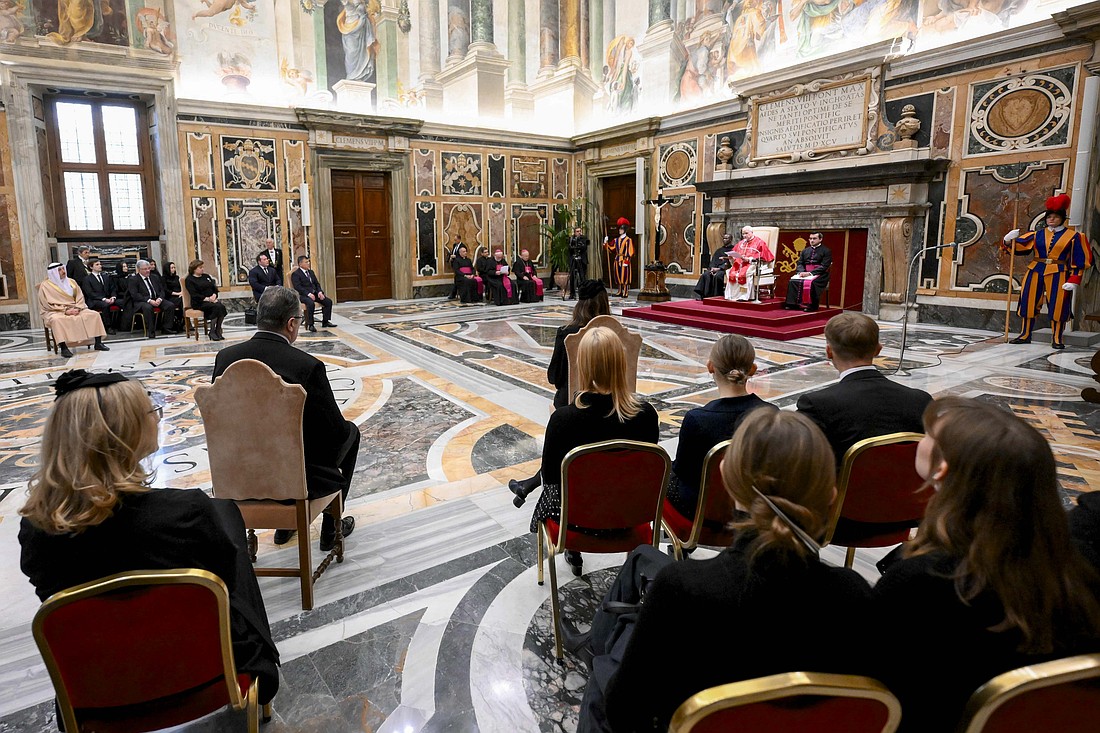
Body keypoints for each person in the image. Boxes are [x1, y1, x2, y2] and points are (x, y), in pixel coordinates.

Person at [582, 409, 872, 733]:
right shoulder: (855, 595)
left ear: (728, 480)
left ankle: (595, 648)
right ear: (831, 495)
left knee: (602, 674)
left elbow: (625, 711)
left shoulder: (682, 590)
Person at [18, 370, 280, 705]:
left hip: (97, 693)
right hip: (205, 678)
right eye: (151, 410)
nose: (158, 417)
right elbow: (229, 595)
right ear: (125, 433)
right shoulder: (186, 514)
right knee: (228, 521)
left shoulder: (36, 530)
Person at [872, 397, 1100, 732]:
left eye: (927, 434)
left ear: (942, 470)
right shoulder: (1078, 563)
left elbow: (876, 688)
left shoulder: (920, 582)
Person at [213, 286, 358, 550]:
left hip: (238, 473)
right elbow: (334, 433)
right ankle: (330, 529)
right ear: (291, 323)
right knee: (350, 433)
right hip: (293, 479)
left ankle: (285, 527)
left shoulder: (225, 359)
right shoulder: (305, 366)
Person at [527, 326, 660, 575]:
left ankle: (571, 552)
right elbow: (648, 474)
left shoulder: (563, 420)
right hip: (631, 518)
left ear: (582, 366)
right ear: (622, 363)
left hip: (576, 522)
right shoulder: (646, 415)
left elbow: (550, 479)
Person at [509, 280, 612, 505]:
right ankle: (527, 485)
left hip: (572, 404)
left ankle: (530, 486)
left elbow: (554, 378)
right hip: (612, 402)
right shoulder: (614, 333)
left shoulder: (568, 333)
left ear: (580, 304)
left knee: (559, 433)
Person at [665, 334, 777, 518]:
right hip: (753, 506)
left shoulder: (697, 419)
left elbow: (684, 472)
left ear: (710, 366)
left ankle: (683, 544)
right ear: (753, 369)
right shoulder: (772, 414)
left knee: (666, 473)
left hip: (702, 512)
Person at [797, 312, 932, 464]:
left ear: (829, 351)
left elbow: (802, 463)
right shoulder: (921, 400)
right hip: (909, 487)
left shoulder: (817, 405)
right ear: (878, 350)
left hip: (846, 488)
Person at [1003, 194, 1093, 349]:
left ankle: (1057, 338)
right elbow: (1018, 248)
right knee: (1028, 302)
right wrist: (1007, 240)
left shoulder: (1075, 236)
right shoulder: (1037, 234)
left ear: (1062, 218)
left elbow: (1080, 259)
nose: (1051, 219)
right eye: (1049, 216)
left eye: (1055, 217)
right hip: (1035, 269)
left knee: (1059, 305)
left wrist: (1074, 280)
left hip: (1059, 271)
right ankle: (1025, 334)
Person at [38, 263, 109, 358]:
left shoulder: (72, 282)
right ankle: (63, 347)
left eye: (63, 269)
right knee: (57, 320)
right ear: (53, 273)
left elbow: (80, 297)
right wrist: (65, 311)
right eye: (59, 270)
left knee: (94, 315)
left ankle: (98, 343)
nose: (63, 272)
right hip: (56, 311)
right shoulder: (45, 286)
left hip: (77, 308)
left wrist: (78, 308)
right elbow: (46, 304)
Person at [126, 259, 177, 338]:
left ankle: (166, 327)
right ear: (139, 270)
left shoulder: (154, 277)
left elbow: (162, 290)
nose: (147, 271)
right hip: (142, 301)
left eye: (148, 268)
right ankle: (151, 331)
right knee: (148, 307)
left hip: (156, 299)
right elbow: (135, 295)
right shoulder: (133, 279)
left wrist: (159, 299)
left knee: (170, 305)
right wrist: (149, 300)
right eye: (145, 269)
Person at [782, 231, 832, 311]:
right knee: (793, 281)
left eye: (814, 238)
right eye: (810, 238)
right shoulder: (805, 251)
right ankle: (793, 304)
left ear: (820, 239)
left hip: (820, 274)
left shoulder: (826, 251)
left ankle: (811, 306)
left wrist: (810, 273)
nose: (812, 240)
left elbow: (824, 266)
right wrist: (801, 272)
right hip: (804, 273)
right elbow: (800, 263)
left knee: (812, 283)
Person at [724, 225, 775, 301]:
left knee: (745, 273)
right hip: (740, 264)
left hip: (752, 264)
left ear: (751, 233)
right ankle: (732, 295)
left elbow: (764, 255)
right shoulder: (741, 243)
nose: (744, 236)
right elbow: (735, 252)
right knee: (732, 273)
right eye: (743, 234)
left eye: (746, 233)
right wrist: (732, 257)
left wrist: (749, 259)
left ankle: (743, 296)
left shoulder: (759, 242)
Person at [185, 259, 228, 341]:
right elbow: (194, 294)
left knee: (221, 306)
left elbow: (214, 288)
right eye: (200, 267)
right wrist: (208, 299)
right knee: (216, 307)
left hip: (212, 300)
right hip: (199, 302)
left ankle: (218, 330)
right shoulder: (189, 280)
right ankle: (212, 331)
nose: (202, 269)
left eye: (202, 267)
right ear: (194, 269)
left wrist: (214, 295)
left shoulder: (206, 276)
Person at [291, 255, 335, 332]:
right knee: (310, 303)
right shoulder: (296, 274)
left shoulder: (311, 272)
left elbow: (316, 284)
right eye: (306, 262)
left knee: (328, 301)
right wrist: (308, 294)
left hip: (314, 293)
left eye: (308, 261)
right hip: (302, 295)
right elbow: (298, 287)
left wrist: (320, 292)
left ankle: (325, 321)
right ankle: (311, 324)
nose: (308, 263)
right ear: (300, 264)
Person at [80, 257, 119, 334]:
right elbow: (90, 293)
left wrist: (113, 297)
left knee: (123, 302)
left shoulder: (106, 277)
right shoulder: (87, 279)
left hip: (108, 298)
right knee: (105, 305)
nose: (100, 266)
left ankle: (122, 325)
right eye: (97, 264)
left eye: (100, 264)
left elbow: (113, 288)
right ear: (91, 267)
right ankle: (108, 327)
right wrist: (104, 299)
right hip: (95, 300)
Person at [694, 231, 737, 300]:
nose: (724, 240)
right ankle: (704, 296)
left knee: (718, 276)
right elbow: (713, 261)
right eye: (724, 238)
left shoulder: (733, 250)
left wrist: (719, 269)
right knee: (706, 275)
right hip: (715, 269)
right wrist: (712, 269)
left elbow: (730, 263)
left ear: (731, 240)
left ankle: (716, 296)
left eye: (726, 238)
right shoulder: (719, 250)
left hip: (725, 270)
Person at [604, 218, 634, 298]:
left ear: (624, 230)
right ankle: (620, 290)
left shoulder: (628, 240)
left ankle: (625, 291)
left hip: (624, 259)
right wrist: (606, 243)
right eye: (619, 229)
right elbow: (611, 248)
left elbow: (630, 251)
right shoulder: (616, 240)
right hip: (617, 259)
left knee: (625, 276)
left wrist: (627, 261)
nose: (619, 230)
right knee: (618, 275)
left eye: (621, 229)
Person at [162, 261, 185, 331]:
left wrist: (182, 293)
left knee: (184, 300)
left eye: (174, 267)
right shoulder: (163, 278)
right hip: (169, 297)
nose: (173, 269)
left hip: (179, 296)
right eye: (172, 268)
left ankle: (183, 321)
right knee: (182, 301)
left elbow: (180, 287)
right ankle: (183, 322)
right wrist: (178, 294)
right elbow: (165, 290)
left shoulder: (176, 277)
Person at [568, 227, 590, 300]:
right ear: (574, 233)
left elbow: (584, 248)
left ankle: (583, 293)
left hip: (582, 260)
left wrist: (580, 245)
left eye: (580, 231)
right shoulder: (572, 239)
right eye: (577, 231)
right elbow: (570, 249)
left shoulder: (584, 238)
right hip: (573, 259)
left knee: (582, 277)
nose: (579, 232)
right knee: (572, 278)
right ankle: (572, 294)